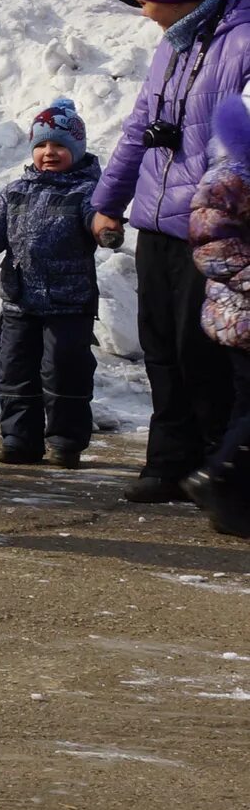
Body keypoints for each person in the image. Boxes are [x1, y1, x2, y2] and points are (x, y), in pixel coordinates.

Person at [92, 0, 250, 507]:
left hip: (210, 227)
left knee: (200, 348)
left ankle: (217, 464)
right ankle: (168, 457)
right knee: (160, 345)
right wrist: (108, 200)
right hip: (155, 220)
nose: (140, 7)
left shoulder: (242, 41)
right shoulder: (173, 42)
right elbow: (141, 125)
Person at [0, 99, 105, 467]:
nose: (50, 152)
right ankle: (20, 438)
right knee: (15, 370)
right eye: (42, 145)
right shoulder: (16, 191)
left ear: (77, 150)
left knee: (64, 371)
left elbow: (98, 218)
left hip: (69, 303)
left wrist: (104, 228)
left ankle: (65, 440)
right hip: (19, 300)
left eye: (60, 145)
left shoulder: (88, 191)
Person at [182, 94, 250, 537]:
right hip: (243, 312)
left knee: (246, 405)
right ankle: (220, 477)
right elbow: (211, 245)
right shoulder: (232, 176)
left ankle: (232, 499)